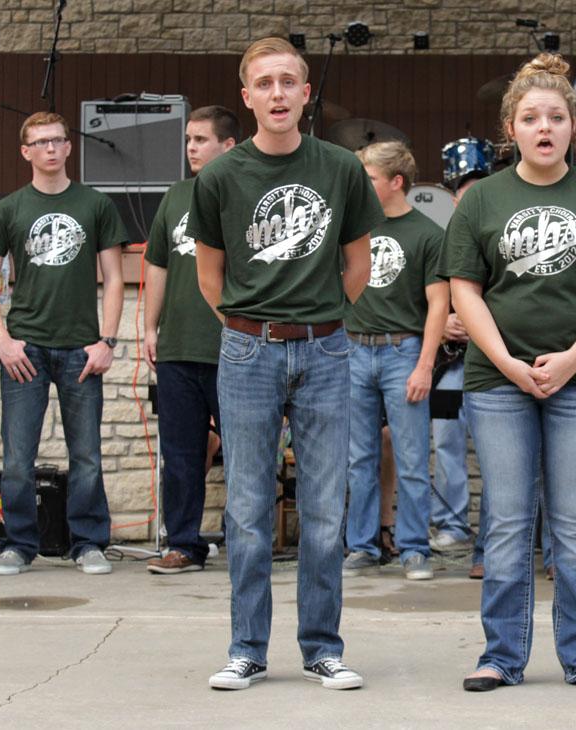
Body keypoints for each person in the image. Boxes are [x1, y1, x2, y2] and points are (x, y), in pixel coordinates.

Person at [439, 53, 576, 693]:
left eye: (556, 117)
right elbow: (464, 290)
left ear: (572, 126)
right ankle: (502, 656)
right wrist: (504, 360)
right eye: (531, 117)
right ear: (511, 127)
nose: (544, 127)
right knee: (505, 520)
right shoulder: (482, 201)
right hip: (498, 383)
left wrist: (571, 361)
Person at [186, 37, 384, 691]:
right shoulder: (219, 177)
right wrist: (252, 328)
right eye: (264, 83)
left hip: (327, 347)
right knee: (245, 507)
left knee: (326, 509)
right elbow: (209, 276)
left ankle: (323, 647)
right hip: (247, 350)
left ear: (305, 94)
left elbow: (359, 262)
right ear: (248, 97)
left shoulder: (342, 169)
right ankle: (246, 648)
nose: (277, 93)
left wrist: (319, 318)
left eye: (288, 82)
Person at [0, 111, 127, 576]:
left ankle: (88, 543)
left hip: (82, 348)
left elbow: (116, 278)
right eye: (39, 142)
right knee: (18, 456)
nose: (50, 149)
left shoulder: (96, 204)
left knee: (87, 456)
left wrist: (107, 341)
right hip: (26, 349)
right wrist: (2, 340)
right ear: (26, 152)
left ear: (68, 147)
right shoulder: (9, 209)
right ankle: (18, 544)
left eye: (57, 140)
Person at [343, 141, 449, 581]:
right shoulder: (354, 229)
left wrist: (425, 365)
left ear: (396, 182)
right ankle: (362, 546)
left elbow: (439, 305)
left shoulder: (427, 233)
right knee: (358, 458)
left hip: (402, 350)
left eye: (369, 179)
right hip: (352, 348)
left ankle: (413, 548)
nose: (361, 187)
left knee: (410, 457)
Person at [143, 105, 240, 574]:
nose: (191, 148)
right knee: (180, 453)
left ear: (228, 146)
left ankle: (245, 543)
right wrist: (148, 327)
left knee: (244, 452)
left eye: (201, 139)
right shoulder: (175, 196)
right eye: (188, 139)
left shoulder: (242, 192)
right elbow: (157, 264)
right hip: (178, 347)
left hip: (233, 345)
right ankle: (182, 543)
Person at [429, 172, 487, 579]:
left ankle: (496, 535)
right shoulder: (439, 241)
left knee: (496, 451)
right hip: (450, 366)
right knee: (446, 440)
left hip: (492, 363)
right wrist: (444, 321)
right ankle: (452, 525)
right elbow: (419, 298)